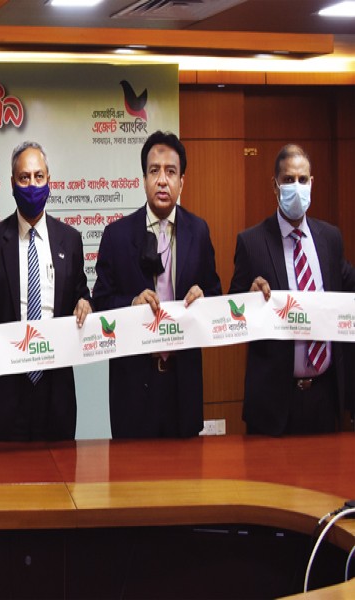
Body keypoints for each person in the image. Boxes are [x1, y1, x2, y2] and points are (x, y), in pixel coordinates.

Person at [93, 131, 221, 439]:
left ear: (182, 181)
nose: (162, 180)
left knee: (186, 469)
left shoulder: (198, 231)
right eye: (154, 171)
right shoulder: (116, 235)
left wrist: (204, 297)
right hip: (133, 387)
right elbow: (101, 303)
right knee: (133, 471)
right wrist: (131, 305)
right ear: (144, 179)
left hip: (183, 384)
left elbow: (215, 293)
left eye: (171, 172)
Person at [0, 141, 91, 441]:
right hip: (5, 388)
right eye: (24, 178)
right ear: (12, 183)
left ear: (49, 180)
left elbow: (81, 293)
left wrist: (86, 303)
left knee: (59, 469)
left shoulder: (70, 240)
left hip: (55, 387)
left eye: (38, 176)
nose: (32, 185)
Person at [228, 144, 355, 435]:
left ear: (312, 183)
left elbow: (348, 282)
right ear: (275, 186)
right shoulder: (251, 242)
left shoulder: (330, 238)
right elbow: (232, 311)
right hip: (273, 403)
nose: (296, 187)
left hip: (325, 398)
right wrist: (248, 299)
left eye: (302, 179)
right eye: (288, 180)